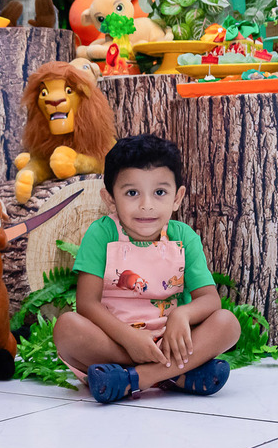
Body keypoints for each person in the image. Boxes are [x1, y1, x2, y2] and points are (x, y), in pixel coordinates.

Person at [54, 134, 241, 403]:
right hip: (116, 343)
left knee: (228, 324)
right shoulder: (101, 234)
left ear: (177, 198)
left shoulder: (184, 237)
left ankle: (134, 379)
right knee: (67, 328)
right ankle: (178, 373)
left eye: (160, 192)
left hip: (171, 340)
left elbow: (210, 299)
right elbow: (87, 304)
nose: (146, 205)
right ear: (109, 198)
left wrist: (182, 317)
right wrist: (129, 338)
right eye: (132, 193)